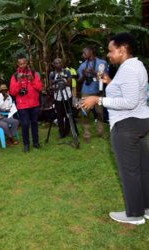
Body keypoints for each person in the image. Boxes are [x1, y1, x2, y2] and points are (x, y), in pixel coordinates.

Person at [82, 33, 149, 225]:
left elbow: (129, 101)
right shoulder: (137, 65)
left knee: (130, 171)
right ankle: (146, 208)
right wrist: (110, 82)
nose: (109, 55)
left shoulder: (128, 69)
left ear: (122, 49)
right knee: (143, 168)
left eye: (111, 51)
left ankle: (134, 214)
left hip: (126, 125)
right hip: (141, 121)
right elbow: (129, 92)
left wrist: (98, 99)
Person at [9, 54, 43, 152]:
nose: (22, 65)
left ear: (27, 62)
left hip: (34, 104)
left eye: (24, 63)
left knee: (34, 124)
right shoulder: (15, 76)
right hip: (22, 105)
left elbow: (40, 88)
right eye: (20, 64)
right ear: (17, 64)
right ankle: (26, 145)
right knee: (25, 124)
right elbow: (12, 92)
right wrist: (19, 81)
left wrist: (32, 80)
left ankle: (36, 143)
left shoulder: (33, 73)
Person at [77, 46, 108, 142]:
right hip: (86, 92)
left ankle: (100, 132)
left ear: (91, 51)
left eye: (84, 52)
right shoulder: (82, 65)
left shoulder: (102, 63)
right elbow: (79, 81)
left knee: (99, 113)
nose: (82, 55)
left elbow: (105, 78)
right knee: (85, 114)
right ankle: (87, 135)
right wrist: (84, 75)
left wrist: (93, 73)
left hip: (98, 92)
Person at [49, 58, 73, 138]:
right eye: (56, 63)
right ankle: (61, 132)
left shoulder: (67, 71)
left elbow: (70, 83)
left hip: (67, 96)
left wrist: (63, 82)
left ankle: (68, 131)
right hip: (57, 97)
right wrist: (55, 85)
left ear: (62, 63)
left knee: (68, 114)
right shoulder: (52, 74)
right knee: (59, 115)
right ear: (54, 64)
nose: (58, 64)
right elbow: (50, 85)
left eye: (60, 62)